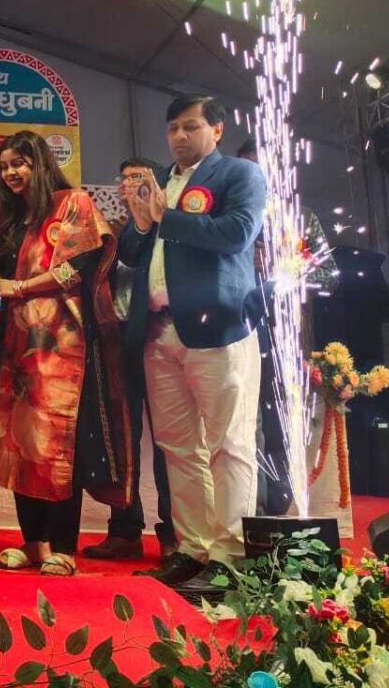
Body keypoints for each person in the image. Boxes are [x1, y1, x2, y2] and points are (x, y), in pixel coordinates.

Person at [0, 131, 132, 577]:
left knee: (57, 442)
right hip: (17, 345)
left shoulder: (73, 203)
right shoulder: (16, 218)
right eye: (5, 165)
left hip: (63, 346)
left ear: (42, 163)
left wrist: (21, 287)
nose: (11, 172)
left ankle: (63, 548)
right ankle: (32, 543)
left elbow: (79, 267)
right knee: (17, 441)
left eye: (20, 162)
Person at [119, 94, 265, 591]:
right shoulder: (159, 179)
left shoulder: (239, 175)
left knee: (229, 444)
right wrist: (142, 223)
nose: (179, 136)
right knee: (178, 448)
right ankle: (193, 548)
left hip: (218, 328)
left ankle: (231, 554)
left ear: (217, 130)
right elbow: (131, 252)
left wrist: (167, 218)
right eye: (172, 129)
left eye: (191, 126)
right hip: (159, 330)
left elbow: (238, 234)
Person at [235, 138, 337, 517]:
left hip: (285, 337)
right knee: (242, 426)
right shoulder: (228, 214)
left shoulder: (301, 218)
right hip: (234, 334)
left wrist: (283, 267)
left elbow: (328, 276)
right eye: (248, 168)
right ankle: (248, 511)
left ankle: (276, 510)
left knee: (279, 425)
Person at [82, 156, 177, 561]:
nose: (129, 184)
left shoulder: (169, 226)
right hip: (116, 341)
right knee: (121, 438)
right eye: (123, 179)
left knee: (170, 442)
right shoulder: (108, 232)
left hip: (158, 336)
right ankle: (124, 529)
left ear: (155, 185)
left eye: (138, 177)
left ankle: (175, 533)